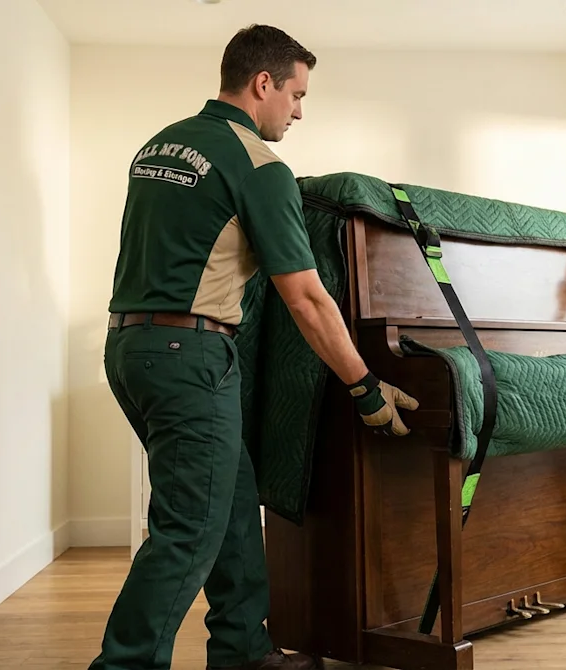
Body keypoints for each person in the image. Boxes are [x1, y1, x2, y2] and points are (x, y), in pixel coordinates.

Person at [93, 24, 418, 670]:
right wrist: (365, 387)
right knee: (189, 529)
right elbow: (307, 299)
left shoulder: (159, 146)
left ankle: (244, 650)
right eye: (296, 95)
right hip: (190, 357)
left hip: (130, 349)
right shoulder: (260, 166)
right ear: (263, 83)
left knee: (234, 500)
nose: (298, 112)